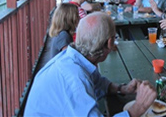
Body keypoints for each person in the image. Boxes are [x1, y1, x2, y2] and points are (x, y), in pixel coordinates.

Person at [24, 12, 156, 117]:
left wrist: (122, 89)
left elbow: (98, 83)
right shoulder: (74, 79)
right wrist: (139, 108)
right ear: (110, 43)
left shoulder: (75, 58)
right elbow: (79, 86)